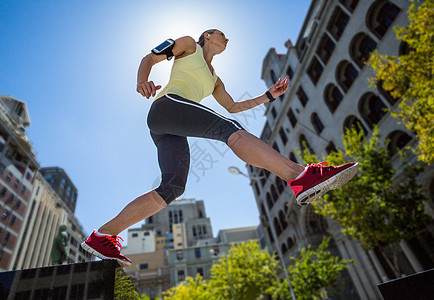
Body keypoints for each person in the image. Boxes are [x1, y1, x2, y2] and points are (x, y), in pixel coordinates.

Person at [81, 29, 358, 266]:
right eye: (223, 34)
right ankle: (300, 176)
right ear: (208, 36)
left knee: (174, 187)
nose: (228, 39)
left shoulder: (215, 79)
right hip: (167, 107)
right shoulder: (188, 44)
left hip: (168, 126)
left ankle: (103, 236)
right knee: (230, 130)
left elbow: (233, 106)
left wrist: (268, 96)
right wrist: (142, 80)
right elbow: (149, 58)